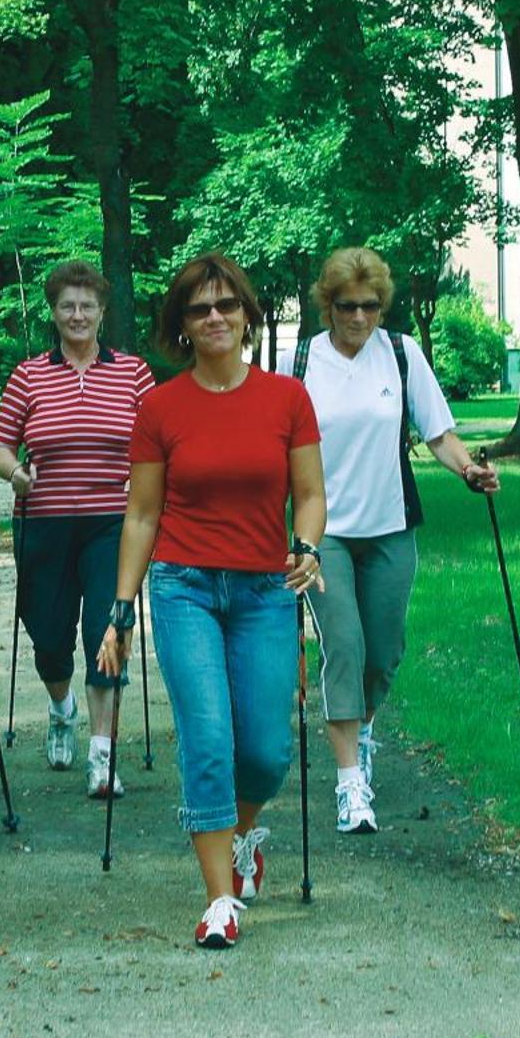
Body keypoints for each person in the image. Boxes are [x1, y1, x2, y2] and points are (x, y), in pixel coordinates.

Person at [97, 253, 325, 950]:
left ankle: (240, 833)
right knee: (207, 738)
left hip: (263, 588)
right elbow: (141, 513)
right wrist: (121, 606)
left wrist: (307, 548)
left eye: (227, 305)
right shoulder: (161, 406)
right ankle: (219, 899)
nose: (216, 317)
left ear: (248, 315)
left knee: (263, 750)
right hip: (183, 585)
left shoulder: (286, 398)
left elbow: (310, 496)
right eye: (201, 309)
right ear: (183, 326)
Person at [296, 247, 498, 835]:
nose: (359, 318)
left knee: (383, 653)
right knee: (344, 644)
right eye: (347, 306)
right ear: (327, 306)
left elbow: (440, 434)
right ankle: (349, 783)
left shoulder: (403, 356)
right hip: (324, 531)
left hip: (389, 527)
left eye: (370, 306)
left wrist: (469, 472)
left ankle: (362, 731)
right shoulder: (301, 359)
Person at [0, 261, 156, 797]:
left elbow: (156, 440)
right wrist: (14, 473)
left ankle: (102, 757)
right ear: (53, 312)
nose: (77, 315)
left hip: (114, 524)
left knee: (107, 632)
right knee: (50, 638)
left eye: (87, 306)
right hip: (44, 520)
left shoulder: (132, 373)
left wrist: (147, 483)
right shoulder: (28, 374)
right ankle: (63, 709)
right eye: (68, 306)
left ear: (102, 313)